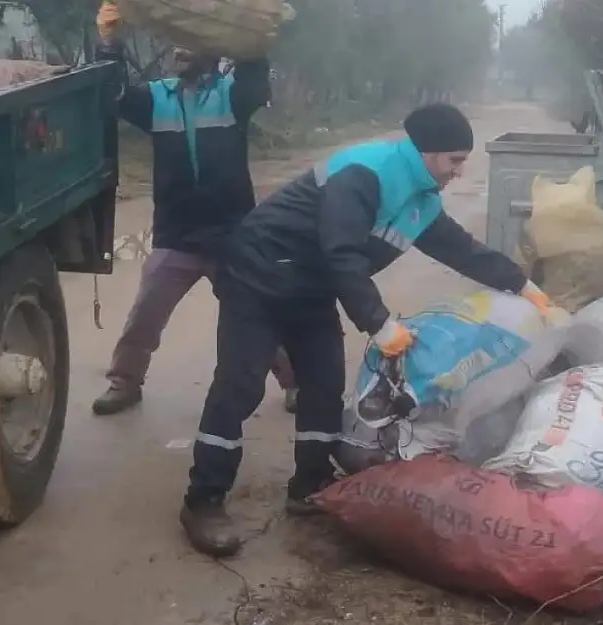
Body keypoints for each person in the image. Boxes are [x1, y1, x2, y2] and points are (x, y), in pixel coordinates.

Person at [179, 102, 555, 557]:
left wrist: (522, 284)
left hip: (310, 288)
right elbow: (341, 252)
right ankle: (204, 500)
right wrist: (378, 322)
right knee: (239, 386)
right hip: (258, 277)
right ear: (429, 152)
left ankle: (309, 485)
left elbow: (461, 249)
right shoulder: (365, 173)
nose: (460, 171)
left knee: (323, 385)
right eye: (455, 159)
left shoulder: (420, 199)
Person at [91, 2, 297, 416]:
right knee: (145, 315)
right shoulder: (155, 98)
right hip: (176, 235)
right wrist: (108, 43)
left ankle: (296, 384)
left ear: (210, 51)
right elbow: (111, 94)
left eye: (189, 46)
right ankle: (124, 383)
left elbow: (255, 78)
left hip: (234, 234)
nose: (179, 52)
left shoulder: (232, 96)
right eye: (176, 48)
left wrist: (249, 32)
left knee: (256, 313)